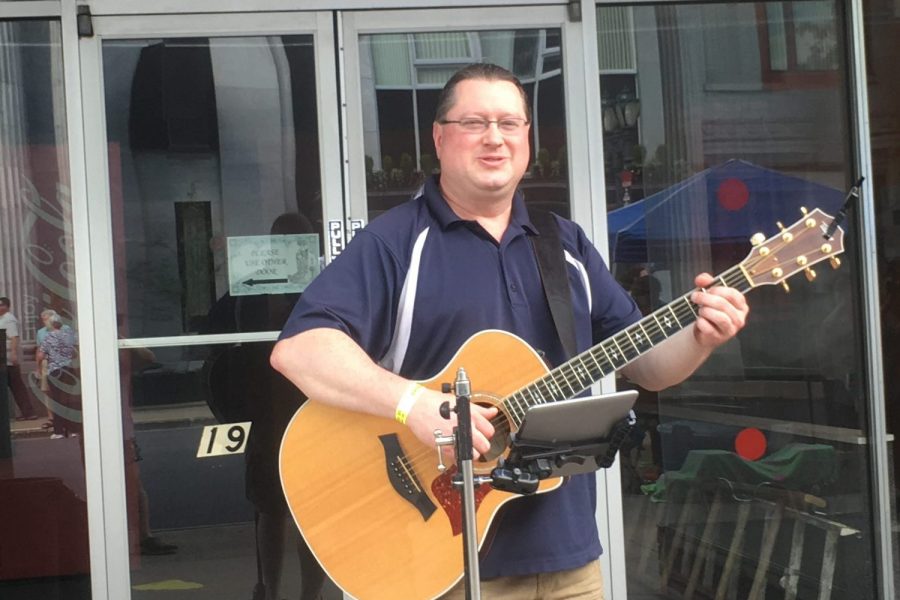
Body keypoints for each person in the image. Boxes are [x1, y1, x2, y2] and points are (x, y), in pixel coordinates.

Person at [270, 63, 748, 599]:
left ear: (527, 138)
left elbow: (650, 367)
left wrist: (701, 337)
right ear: (440, 137)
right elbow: (301, 351)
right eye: (474, 122)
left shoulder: (565, 244)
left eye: (509, 123)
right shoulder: (397, 244)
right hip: (445, 566)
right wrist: (416, 406)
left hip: (570, 561)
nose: (494, 138)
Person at [36, 312, 79, 439]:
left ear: (51, 324)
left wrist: (39, 365)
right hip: (69, 370)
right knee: (68, 401)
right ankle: (73, 430)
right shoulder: (69, 335)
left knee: (56, 401)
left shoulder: (49, 337)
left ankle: (59, 431)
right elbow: (74, 351)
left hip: (55, 370)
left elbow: (41, 355)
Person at [0, 296, 38, 421]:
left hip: (9, 359)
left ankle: (28, 412)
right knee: (16, 386)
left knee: (17, 386)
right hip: (3, 358)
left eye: (1, 305)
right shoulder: (2, 319)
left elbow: (14, 337)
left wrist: (14, 354)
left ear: (7, 306)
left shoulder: (9, 319)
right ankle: (26, 412)